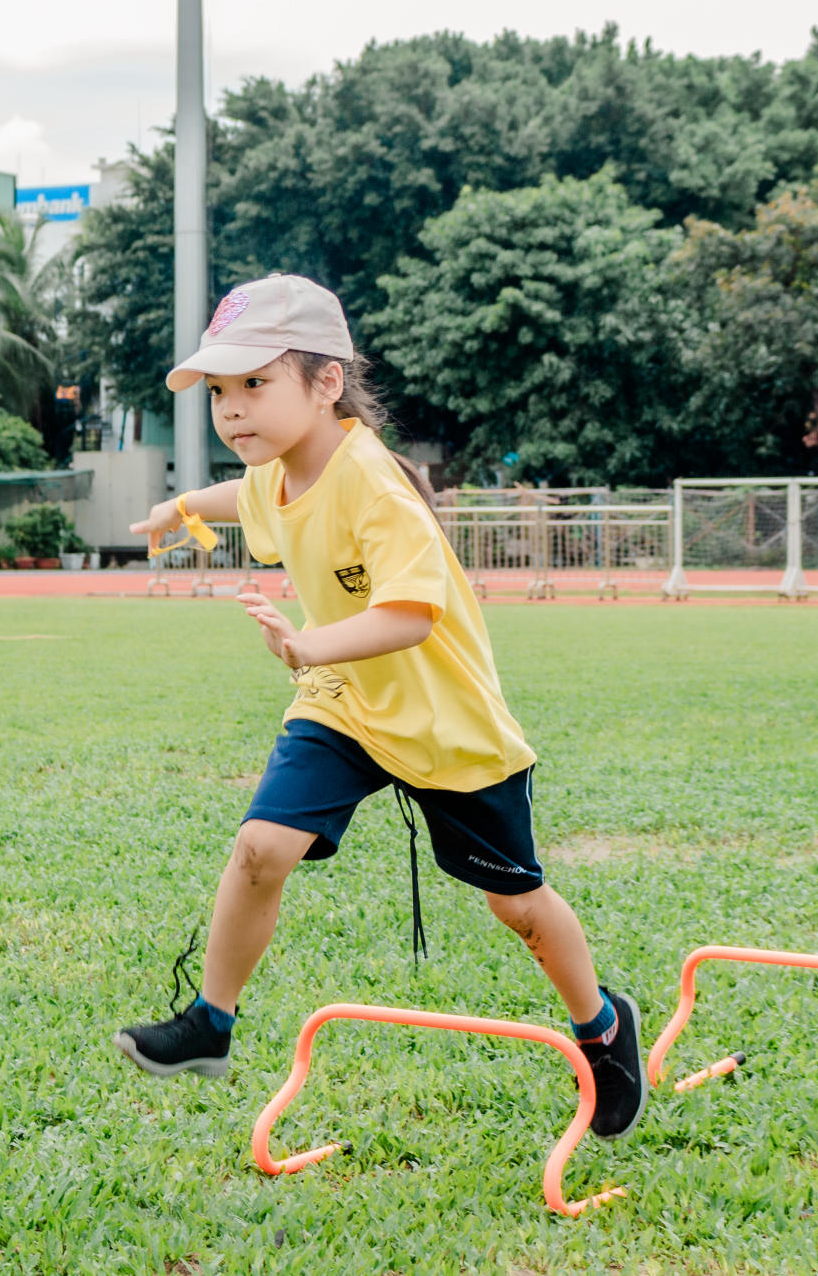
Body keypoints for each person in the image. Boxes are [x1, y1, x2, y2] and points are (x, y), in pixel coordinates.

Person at [111, 273, 647, 1140]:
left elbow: (410, 615)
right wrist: (179, 507)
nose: (232, 408)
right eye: (219, 391)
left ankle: (604, 1027)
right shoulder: (279, 474)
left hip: (444, 720)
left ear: (327, 381)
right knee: (260, 847)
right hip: (345, 702)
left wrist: (307, 645)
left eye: (255, 382)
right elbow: (243, 497)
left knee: (517, 905)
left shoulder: (374, 483)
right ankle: (210, 1022)